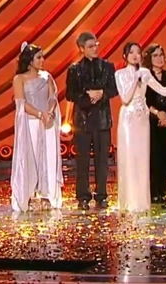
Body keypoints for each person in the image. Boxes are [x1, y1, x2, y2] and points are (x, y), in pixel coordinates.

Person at [115, 42, 166, 212]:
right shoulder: (120, 74)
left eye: (138, 52)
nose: (135, 55)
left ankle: (143, 201)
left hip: (142, 119)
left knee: (143, 159)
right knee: (130, 158)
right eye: (131, 52)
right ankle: (129, 201)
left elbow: (163, 91)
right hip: (129, 118)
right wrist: (135, 78)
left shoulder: (145, 72)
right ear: (125, 56)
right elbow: (125, 99)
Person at [65, 32, 118, 210]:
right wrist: (87, 96)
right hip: (83, 121)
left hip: (102, 120)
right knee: (83, 161)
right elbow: (70, 94)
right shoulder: (74, 69)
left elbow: (114, 88)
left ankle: (101, 195)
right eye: (90, 46)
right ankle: (83, 196)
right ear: (81, 48)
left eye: (96, 45)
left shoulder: (108, 67)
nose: (95, 49)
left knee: (102, 160)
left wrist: (102, 94)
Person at [10, 42, 63, 212]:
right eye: (39, 57)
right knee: (31, 158)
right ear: (30, 60)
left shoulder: (47, 77)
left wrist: (49, 113)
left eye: (43, 57)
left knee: (48, 157)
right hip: (31, 123)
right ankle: (30, 195)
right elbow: (21, 103)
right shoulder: (19, 79)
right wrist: (40, 114)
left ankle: (46, 194)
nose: (42, 60)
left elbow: (53, 98)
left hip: (47, 123)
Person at [143, 43, 166, 204]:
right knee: (154, 157)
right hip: (151, 122)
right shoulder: (145, 76)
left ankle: (163, 191)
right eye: (155, 55)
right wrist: (158, 113)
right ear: (150, 59)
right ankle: (153, 192)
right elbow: (146, 100)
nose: (159, 58)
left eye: (161, 55)